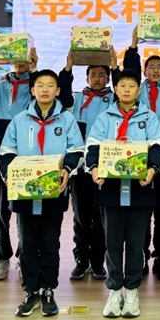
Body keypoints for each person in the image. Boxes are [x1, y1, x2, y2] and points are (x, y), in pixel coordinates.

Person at [0, 70, 85, 317]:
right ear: (33, 90)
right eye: (40, 85)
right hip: (24, 196)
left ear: (58, 91)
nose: (45, 89)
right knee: (26, 244)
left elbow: (77, 150)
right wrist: (10, 176)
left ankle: (48, 290)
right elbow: (6, 153)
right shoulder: (19, 120)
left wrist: (67, 169)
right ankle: (30, 291)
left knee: (50, 244)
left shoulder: (67, 120)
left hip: (54, 194)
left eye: (50, 85)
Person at [85, 69, 160, 318]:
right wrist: (94, 167)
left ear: (139, 90)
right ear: (115, 89)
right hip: (110, 189)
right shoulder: (104, 117)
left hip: (140, 188)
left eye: (132, 86)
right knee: (112, 242)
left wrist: (152, 169)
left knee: (136, 243)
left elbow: (158, 145)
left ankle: (131, 290)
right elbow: (93, 145)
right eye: (122, 85)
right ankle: (114, 290)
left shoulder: (149, 117)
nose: (127, 89)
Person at [121, 26, 160, 281]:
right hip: (141, 156)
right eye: (151, 67)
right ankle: (141, 256)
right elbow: (128, 70)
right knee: (142, 212)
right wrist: (133, 44)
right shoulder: (137, 91)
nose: (156, 70)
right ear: (144, 71)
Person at [57, 49, 119, 281]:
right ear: (87, 78)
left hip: (106, 167)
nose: (97, 79)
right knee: (81, 218)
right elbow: (63, 96)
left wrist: (116, 66)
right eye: (93, 75)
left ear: (108, 78)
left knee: (102, 218)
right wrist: (68, 68)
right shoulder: (77, 99)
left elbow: (122, 83)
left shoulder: (115, 100)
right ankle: (81, 261)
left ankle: (98, 262)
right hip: (81, 168)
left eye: (102, 75)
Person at [0, 48, 38, 280]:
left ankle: (25, 256)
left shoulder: (36, 84)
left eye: (24, 58)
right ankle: (2, 257)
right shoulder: (1, 84)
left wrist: (34, 69)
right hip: (2, 151)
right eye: (16, 57)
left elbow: (38, 103)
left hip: (27, 151)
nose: (19, 62)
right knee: (1, 210)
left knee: (24, 208)